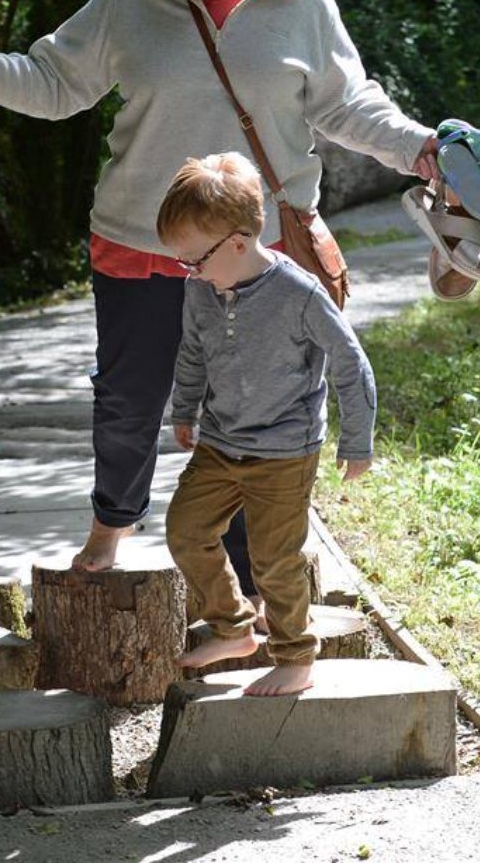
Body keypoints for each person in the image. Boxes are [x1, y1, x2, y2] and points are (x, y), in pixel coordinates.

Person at [0, 0, 437, 587]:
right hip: (139, 239)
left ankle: (261, 582)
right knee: (129, 403)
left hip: (258, 256)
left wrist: (421, 147)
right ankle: (107, 537)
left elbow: (347, 103)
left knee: (258, 411)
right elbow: (53, 83)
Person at [156, 152, 374, 696]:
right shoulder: (200, 289)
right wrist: (184, 410)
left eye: (194, 259)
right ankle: (233, 628)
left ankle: (296, 657)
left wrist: (358, 440)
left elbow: (351, 363)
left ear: (235, 242)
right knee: (186, 531)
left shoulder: (298, 294)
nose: (190, 270)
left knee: (275, 561)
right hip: (222, 442)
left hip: (284, 449)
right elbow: (192, 354)